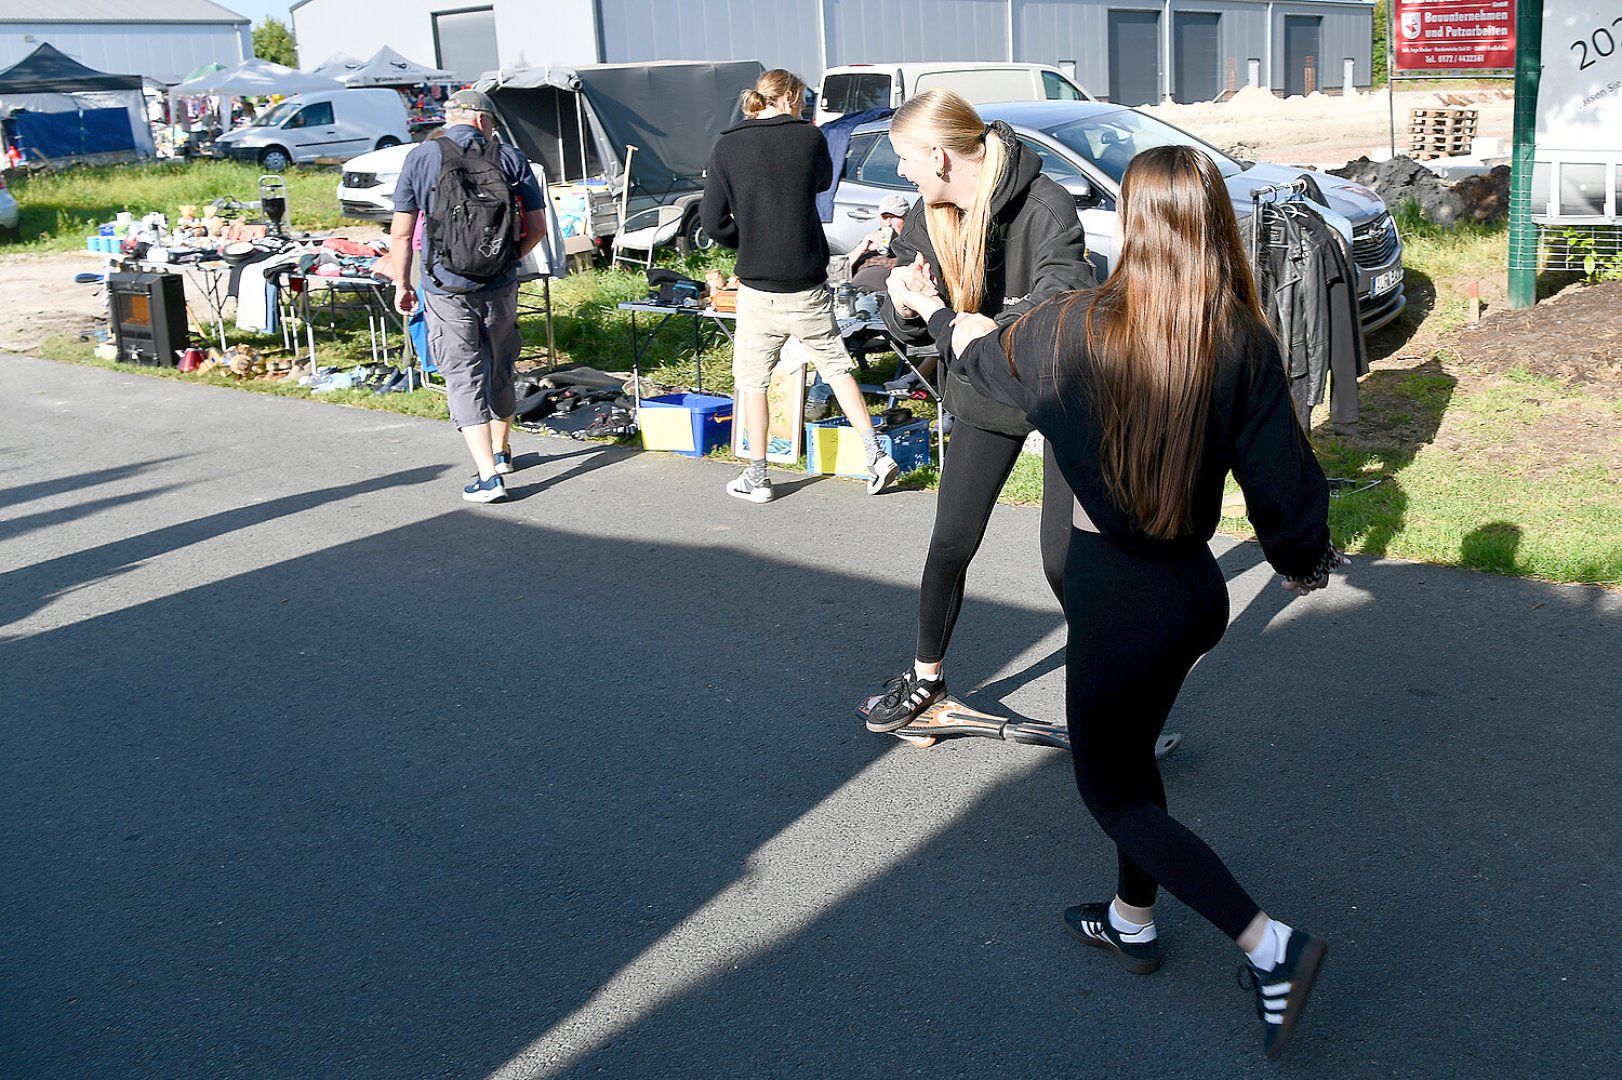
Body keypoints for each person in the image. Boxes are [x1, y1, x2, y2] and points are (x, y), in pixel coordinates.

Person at [889, 144, 1347, 1060]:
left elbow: (981, 359)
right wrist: (1299, 564)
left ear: (1130, 223)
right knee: (1134, 761)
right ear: (1214, 219)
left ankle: (1270, 946)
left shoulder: (1070, 328)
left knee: (1110, 792)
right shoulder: (1239, 337)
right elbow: (1284, 489)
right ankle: (1132, 919)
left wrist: (933, 309)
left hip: (1119, 602)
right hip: (1192, 595)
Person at [860, 89, 1096, 730]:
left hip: (1059, 391)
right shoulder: (930, 213)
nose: (902, 172)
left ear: (938, 156)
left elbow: (1061, 306)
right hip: (985, 392)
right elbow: (904, 317)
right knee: (950, 543)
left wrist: (974, 325)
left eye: (905, 158)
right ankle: (927, 681)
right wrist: (905, 306)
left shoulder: (1046, 206)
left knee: (1063, 559)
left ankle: (1110, 691)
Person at [700, 68, 898, 503]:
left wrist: (747, 239)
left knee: (753, 379)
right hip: (807, 281)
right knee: (837, 367)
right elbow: (824, 182)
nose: (806, 102)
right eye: (804, 95)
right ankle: (875, 456)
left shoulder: (727, 144)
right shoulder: (809, 138)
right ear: (788, 95)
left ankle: (757, 475)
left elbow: (713, 221)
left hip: (757, 286)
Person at [390, 88, 546, 503]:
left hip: (446, 285)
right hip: (500, 283)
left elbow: (403, 233)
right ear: (481, 119)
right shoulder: (510, 158)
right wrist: (508, 257)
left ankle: (488, 475)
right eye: (493, 122)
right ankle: (502, 450)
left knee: (463, 373)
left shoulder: (422, 157)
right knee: (501, 362)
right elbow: (538, 228)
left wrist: (403, 284)